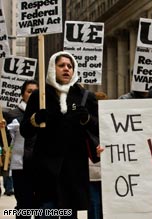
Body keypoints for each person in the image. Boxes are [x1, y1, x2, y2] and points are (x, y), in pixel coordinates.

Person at [20, 51, 99, 219]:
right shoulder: (39, 96)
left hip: (74, 173)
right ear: (52, 68)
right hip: (47, 172)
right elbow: (25, 130)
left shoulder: (85, 96)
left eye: (70, 66)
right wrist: (35, 120)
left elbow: (99, 129)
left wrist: (86, 118)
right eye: (61, 65)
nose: (66, 69)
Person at [4, 80, 39, 217]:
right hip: (21, 166)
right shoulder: (12, 114)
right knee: (24, 205)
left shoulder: (45, 113)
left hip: (41, 165)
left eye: (35, 92)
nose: (32, 95)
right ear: (22, 94)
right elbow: (6, 142)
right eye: (29, 91)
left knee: (39, 206)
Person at [87, 91, 107, 219]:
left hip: (103, 172)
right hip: (93, 171)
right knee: (95, 204)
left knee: (97, 205)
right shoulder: (87, 123)